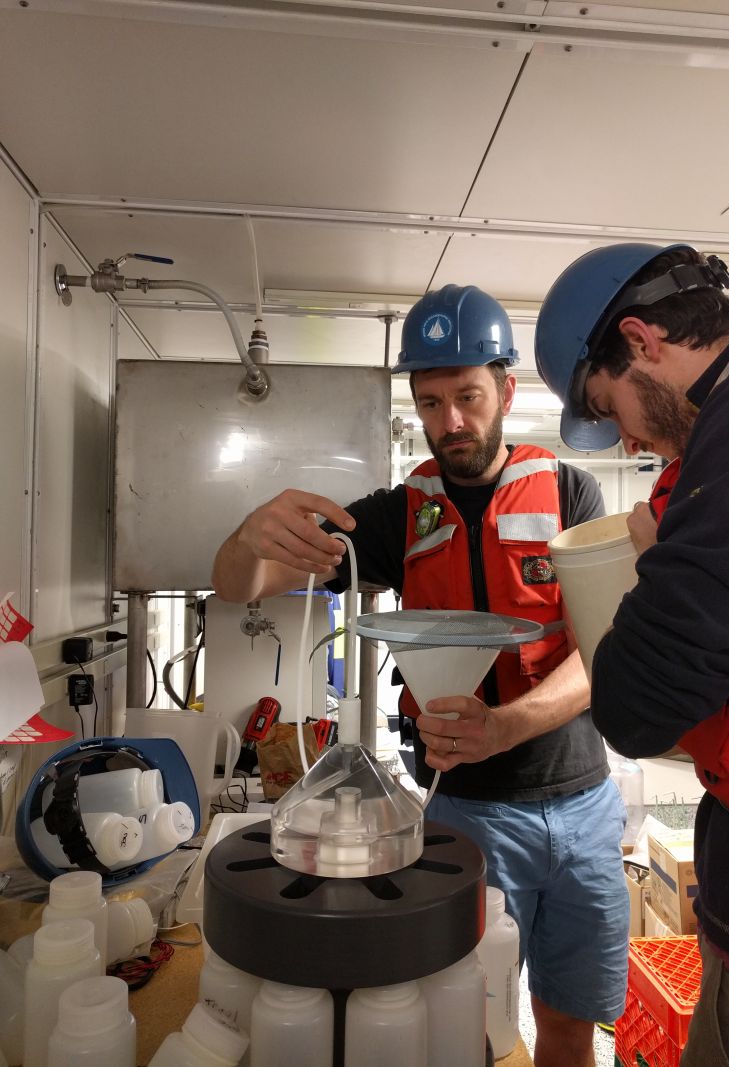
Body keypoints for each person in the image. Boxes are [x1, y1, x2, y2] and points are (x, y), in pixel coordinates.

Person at [213, 283, 629, 1067]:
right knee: (457, 1023)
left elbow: (605, 651)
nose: (451, 423)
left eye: (468, 396)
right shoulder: (397, 513)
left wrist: (509, 723)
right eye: (430, 402)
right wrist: (244, 535)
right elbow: (242, 584)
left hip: (580, 805)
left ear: (506, 388)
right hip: (461, 813)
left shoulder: (571, 491)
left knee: (569, 1023)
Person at [534, 242, 729, 1067]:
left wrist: (651, 568)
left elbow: (640, 703)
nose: (621, 440)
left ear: (644, 341)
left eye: (610, 407)